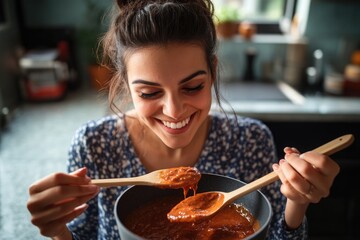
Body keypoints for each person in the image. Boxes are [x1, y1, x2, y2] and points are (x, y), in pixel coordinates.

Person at [26, 0, 340, 239]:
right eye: (150, 93)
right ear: (125, 85)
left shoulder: (249, 140)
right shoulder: (94, 145)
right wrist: (57, 229)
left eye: (192, 87)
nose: (174, 111)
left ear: (213, 73)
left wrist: (296, 203)